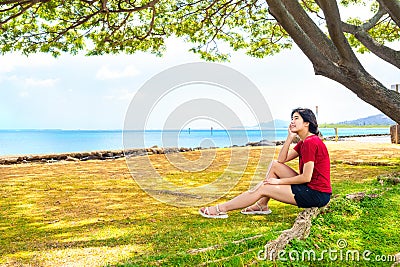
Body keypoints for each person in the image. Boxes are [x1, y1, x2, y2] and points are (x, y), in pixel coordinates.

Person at [199, 108, 332, 219]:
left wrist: (277, 182)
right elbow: (281, 160)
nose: (292, 121)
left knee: (264, 187)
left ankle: (220, 209)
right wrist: (290, 138)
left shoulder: (310, 142)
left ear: (306, 123)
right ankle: (262, 205)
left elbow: (306, 177)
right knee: (274, 165)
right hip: (310, 188)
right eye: (292, 118)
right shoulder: (305, 142)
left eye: (296, 118)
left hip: (316, 194)